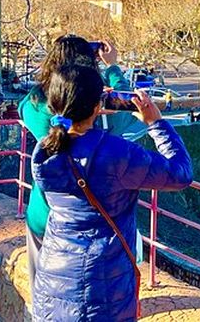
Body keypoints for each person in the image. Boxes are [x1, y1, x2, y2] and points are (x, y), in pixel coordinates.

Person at [31, 64, 192, 321]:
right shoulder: (115, 153)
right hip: (103, 284)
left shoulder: (44, 150)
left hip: (53, 278)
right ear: (98, 107)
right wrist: (156, 123)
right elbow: (180, 173)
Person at [19, 35, 135, 290]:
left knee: (43, 289)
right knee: (94, 290)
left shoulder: (36, 105)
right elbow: (129, 105)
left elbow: (23, 105)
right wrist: (112, 68)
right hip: (94, 218)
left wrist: (51, 78)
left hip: (44, 212)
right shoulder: (103, 110)